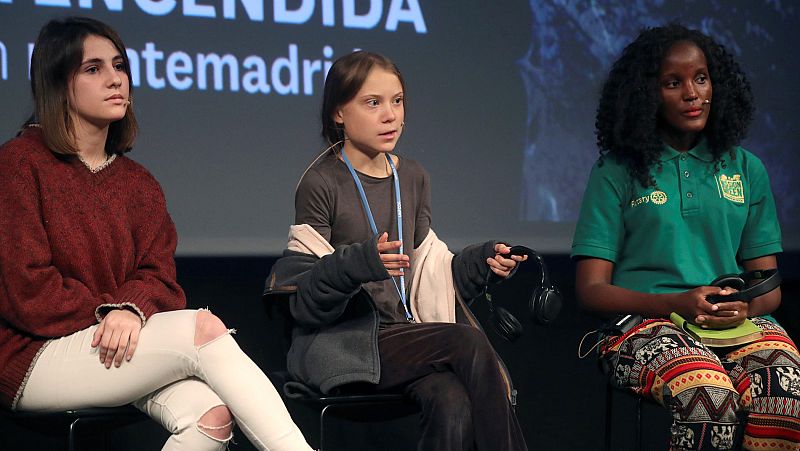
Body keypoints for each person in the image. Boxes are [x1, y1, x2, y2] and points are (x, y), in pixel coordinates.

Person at [0, 16, 313, 451]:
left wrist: (129, 311)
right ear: (57, 83)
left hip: (116, 345)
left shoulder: (138, 182)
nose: (115, 79)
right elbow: (26, 288)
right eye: (93, 69)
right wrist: (110, 312)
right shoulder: (19, 163)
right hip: (33, 357)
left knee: (210, 417)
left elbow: (160, 277)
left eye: (119, 66)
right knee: (202, 329)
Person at [265, 50, 529, 450]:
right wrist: (362, 262)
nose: (391, 115)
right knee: (468, 341)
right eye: (373, 103)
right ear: (339, 112)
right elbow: (305, 301)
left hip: (409, 334)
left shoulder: (413, 177)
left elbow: (429, 277)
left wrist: (484, 261)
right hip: (350, 342)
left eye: (397, 101)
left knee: (452, 400)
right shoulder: (321, 183)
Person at [573, 23, 800, 451]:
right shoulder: (616, 171)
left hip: (736, 325)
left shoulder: (746, 168)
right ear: (647, 95)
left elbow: (768, 289)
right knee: (708, 396)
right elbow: (590, 290)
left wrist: (743, 305)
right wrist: (672, 304)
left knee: (784, 389)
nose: (692, 94)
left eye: (700, 78)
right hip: (644, 325)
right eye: (672, 83)